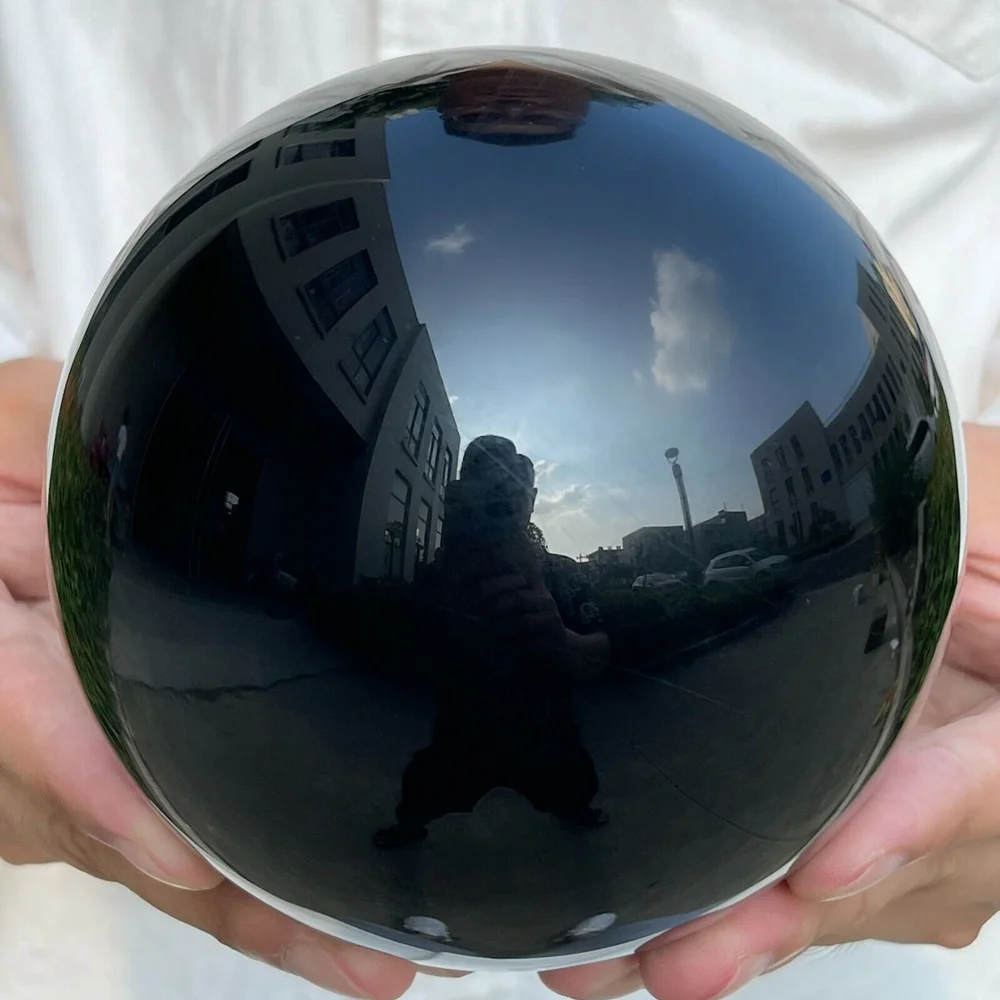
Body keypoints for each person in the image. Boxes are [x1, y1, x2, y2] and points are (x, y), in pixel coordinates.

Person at [1, 4, 1000, 1000]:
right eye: (480, 484)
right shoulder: (443, 558)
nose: (490, 501)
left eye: (504, 487)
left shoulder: (545, 563)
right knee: (439, 770)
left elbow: (589, 648)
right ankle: (425, 816)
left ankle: (572, 811)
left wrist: (565, 645)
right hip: (192, 902)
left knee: (560, 772)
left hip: (840, 908)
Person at [373, 436, 609, 850]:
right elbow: (407, 657)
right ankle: (409, 822)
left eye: (513, 488)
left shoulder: (561, 573)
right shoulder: (440, 573)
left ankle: (576, 806)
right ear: (462, 495)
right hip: (465, 728)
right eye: (486, 487)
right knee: (428, 782)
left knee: (571, 779)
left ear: (532, 499)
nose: (502, 499)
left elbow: (601, 655)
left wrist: (560, 637)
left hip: (547, 729)